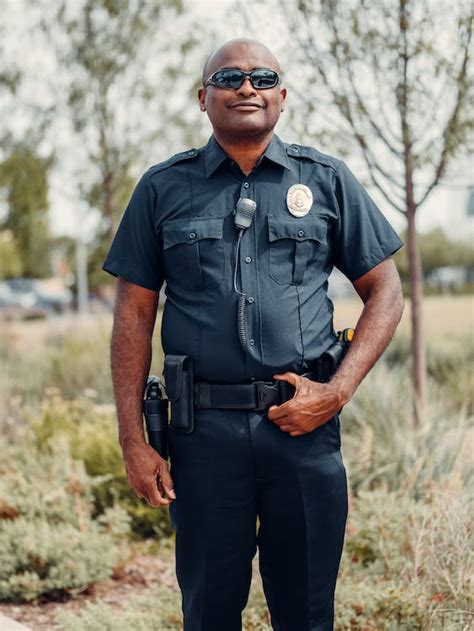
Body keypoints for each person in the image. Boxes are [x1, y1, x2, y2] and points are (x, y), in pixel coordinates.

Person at [102, 37, 404, 631]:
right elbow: (133, 316)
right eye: (230, 77)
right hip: (202, 438)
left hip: (303, 428)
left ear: (282, 97)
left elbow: (386, 293)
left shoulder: (326, 180)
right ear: (203, 98)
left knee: (307, 611)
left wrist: (336, 392)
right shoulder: (162, 188)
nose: (247, 87)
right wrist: (134, 441)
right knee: (209, 611)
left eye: (263, 77)